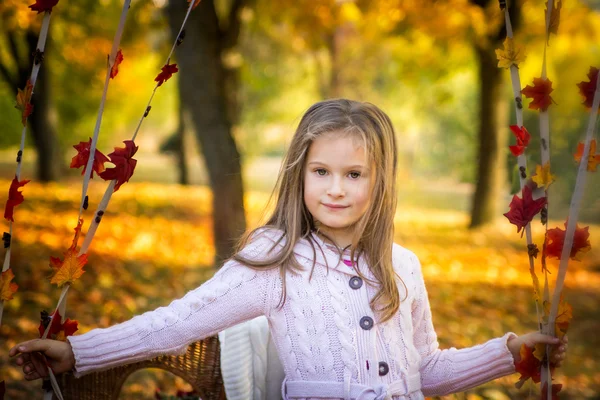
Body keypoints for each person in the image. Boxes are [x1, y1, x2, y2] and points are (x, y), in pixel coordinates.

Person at [10, 99, 567, 399]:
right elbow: (179, 322)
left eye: (354, 173)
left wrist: (510, 351)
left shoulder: (402, 266)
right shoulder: (278, 258)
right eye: (320, 171)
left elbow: (426, 370)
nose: (336, 188)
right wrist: (81, 353)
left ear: (381, 181)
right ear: (300, 175)